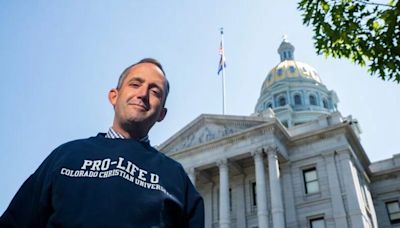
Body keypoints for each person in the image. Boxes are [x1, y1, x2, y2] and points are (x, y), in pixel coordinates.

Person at [0, 58, 204, 227]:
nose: (142, 94)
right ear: (113, 96)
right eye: (135, 84)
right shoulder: (66, 155)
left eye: (155, 91)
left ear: (162, 114)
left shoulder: (176, 176)